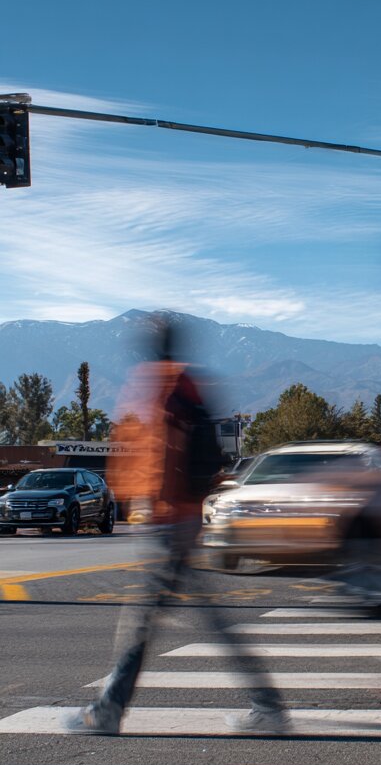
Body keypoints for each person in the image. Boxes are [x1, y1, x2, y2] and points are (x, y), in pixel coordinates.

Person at [63, 315, 290, 736]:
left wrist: (152, 507)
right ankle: (268, 705)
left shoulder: (162, 383)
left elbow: (163, 453)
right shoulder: (189, 381)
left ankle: (109, 709)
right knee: (208, 622)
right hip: (182, 519)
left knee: (143, 623)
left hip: (168, 521)